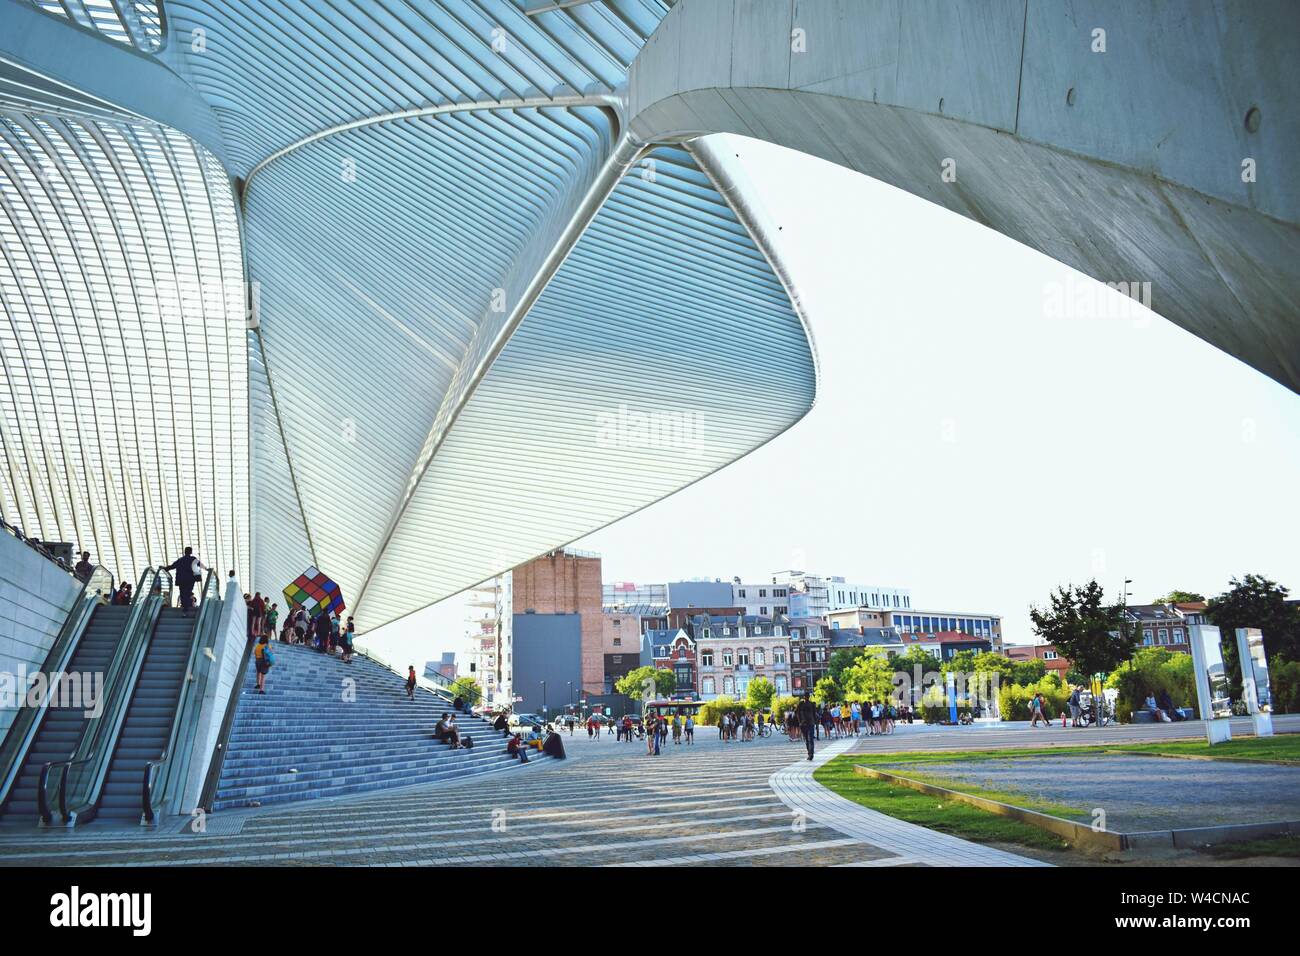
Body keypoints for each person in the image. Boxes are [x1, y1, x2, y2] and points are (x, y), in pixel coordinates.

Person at [166, 547, 205, 616]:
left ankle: (185, 608)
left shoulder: (180, 560)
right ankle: (187, 607)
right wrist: (207, 569)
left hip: (181, 580)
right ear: (191, 552)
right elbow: (200, 564)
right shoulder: (193, 559)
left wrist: (165, 568)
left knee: (183, 593)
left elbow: (172, 566)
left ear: (185, 552)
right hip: (190, 580)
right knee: (188, 592)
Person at [796, 695, 817, 760]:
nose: (806, 698)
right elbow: (797, 713)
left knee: (810, 739)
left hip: (810, 723)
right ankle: (809, 753)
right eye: (805, 697)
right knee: (807, 739)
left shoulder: (812, 704)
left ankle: (811, 754)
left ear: (808, 697)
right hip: (803, 724)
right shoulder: (800, 704)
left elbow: (814, 713)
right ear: (804, 697)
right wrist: (800, 722)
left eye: (807, 697)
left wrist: (814, 722)